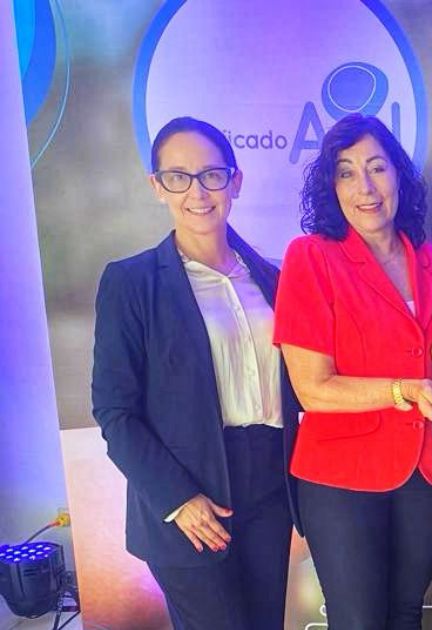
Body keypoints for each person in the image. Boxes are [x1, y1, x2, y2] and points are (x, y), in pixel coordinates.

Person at [91, 117, 300, 630]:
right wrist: (177, 499)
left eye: (211, 174)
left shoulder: (274, 279)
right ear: (157, 186)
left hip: (269, 488)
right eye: (178, 177)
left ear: (235, 181)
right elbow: (115, 412)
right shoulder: (131, 282)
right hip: (187, 493)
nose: (197, 191)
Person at [273, 113, 432, 629]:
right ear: (330, 186)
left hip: (431, 467)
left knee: (406, 614)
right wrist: (403, 389)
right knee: (359, 621)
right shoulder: (311, 258)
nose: (366, 187)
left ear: (399, 175)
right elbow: (313, 389)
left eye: (377, 168)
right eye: (346, 172)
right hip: (343, 474)